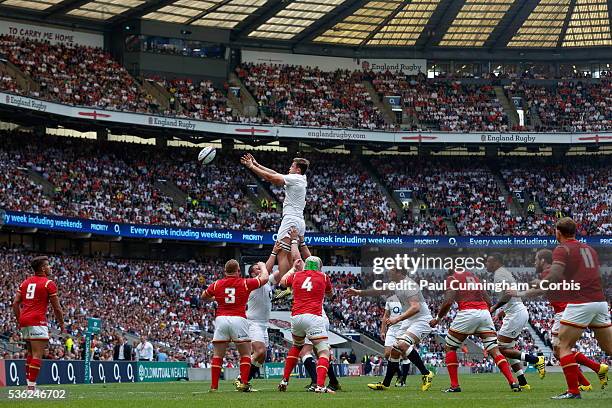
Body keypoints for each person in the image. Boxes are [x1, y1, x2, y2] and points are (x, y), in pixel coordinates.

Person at [533, 218, 611, 399]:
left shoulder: (562, 248)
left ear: (558, 232)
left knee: (563, 347)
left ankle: (574, 391)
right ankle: (592, 374)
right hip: (599, 301)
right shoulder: (589, 249)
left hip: (580, 301)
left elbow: (556, 274)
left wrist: (542, 283)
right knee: (610, 348)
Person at [524, 249, 608, 391]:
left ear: (543, 260)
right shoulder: (560, 273)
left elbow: (541, 290)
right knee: (561, 351)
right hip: (570, 309)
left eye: (536, 259)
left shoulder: (548, 273)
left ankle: (586, 379)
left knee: (561, 351)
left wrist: (522, 292)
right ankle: (590, 377)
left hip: (564, 312)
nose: (534, 262)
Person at [430, 269, 521, 393]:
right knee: (494, 350)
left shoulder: (452, 278)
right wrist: (482, 318)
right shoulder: (474, 278)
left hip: (467, 312)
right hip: (484, 313)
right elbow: (488, 300)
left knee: (450, 347)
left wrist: (437, 319)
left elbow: (448, 301)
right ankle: (513, 382)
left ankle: (454, 385)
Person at [347, 268, 435, 392]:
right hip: (409, 321)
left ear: (400, 273)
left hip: (421, 320)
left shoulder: (409, 285)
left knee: (402, 344)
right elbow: (379, 291)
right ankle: (386, 384)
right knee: (394, 352)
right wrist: (358, 292)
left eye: (391, 271)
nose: (388, 272)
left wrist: (397, 319)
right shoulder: (396, 284)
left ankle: (426, 373)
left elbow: (416, 307)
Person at [234, 233, 298, 388]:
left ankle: (245, 381)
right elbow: (267, 269)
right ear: (253, 273)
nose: (261, 268)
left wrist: (288, 252)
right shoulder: (252, 283)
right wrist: (274, 253)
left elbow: (283, 272)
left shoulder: (266, 282)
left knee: (261, 358)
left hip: (263, 324)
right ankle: (240, 378)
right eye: (258, 268)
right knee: (260, 351)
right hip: (253, 323)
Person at [202, 259, 269, 392]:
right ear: (238, 271)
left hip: (221, 319)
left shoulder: (217, 284)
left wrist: (216, 298)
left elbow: (204, 296)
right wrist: (262, 265)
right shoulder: (244, 283)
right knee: (245, 354)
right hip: (239, 319)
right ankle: (244, 383)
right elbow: (265, 278)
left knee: (217, 356)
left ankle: (214, 387)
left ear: (225, 271)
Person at [241, 153, 309, 276]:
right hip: (299, 221)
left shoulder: (295, 178)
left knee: (281, 253)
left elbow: (272, 178)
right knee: (288, 254)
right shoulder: (301, 178)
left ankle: (285, 285)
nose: (290, 168)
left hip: (290, 219)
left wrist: (252, 167)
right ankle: (291, 283)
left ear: (298, 170)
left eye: (292, 166)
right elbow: (274, 173)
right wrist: (258, 165)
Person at [487, 253, 546, 389]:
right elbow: (512, 297)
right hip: (515, 312)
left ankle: (536, 360)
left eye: (489, 262)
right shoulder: (504, 273)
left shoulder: (499, 275)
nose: (486, 265)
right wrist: (501, 312)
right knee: (508, 349)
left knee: (501, 349)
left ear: (496, 262)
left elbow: (508, 294)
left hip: (516, 314)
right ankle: (523, 382)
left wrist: (495, 307)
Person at [277, 257, 335, 394]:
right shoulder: (323, 276)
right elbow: (331, 295)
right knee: (323, 351)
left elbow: (282, 283)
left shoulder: (296, 275)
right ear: (318, 266)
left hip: (296, 317)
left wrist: (293, 269)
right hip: (313, 316)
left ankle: (284, 380)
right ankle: (320, 386)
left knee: (297, 346)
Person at [12, 256, 64, 391]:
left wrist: (20, 319)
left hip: (25, 319)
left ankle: (29, 384)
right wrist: (62, 324)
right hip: (37, 320)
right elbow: (57, 308)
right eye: (48, 265)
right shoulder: (48, 283)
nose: (50, 268)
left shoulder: (25, 282)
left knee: (30, 353)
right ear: (42, 268)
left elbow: (15, 303)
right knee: (37, 354)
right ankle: (31, 388)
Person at [381, 295, 411, 386]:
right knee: (387, 354)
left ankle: (403, 380)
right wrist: (383, 331)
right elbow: (386, 316)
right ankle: (399, 374)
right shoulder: (390, 299)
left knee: (404, 355)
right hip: (392, 329)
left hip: (404, 329)